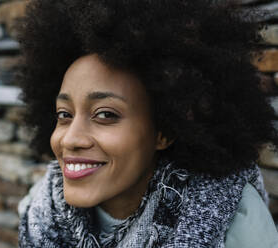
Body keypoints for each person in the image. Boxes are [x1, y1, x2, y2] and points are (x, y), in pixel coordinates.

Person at [16, 0, 278, 247]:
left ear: (164, 130)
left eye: (105, 114)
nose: (71, 139)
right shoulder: (40, 210)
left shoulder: (237, 227)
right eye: (64, 115)